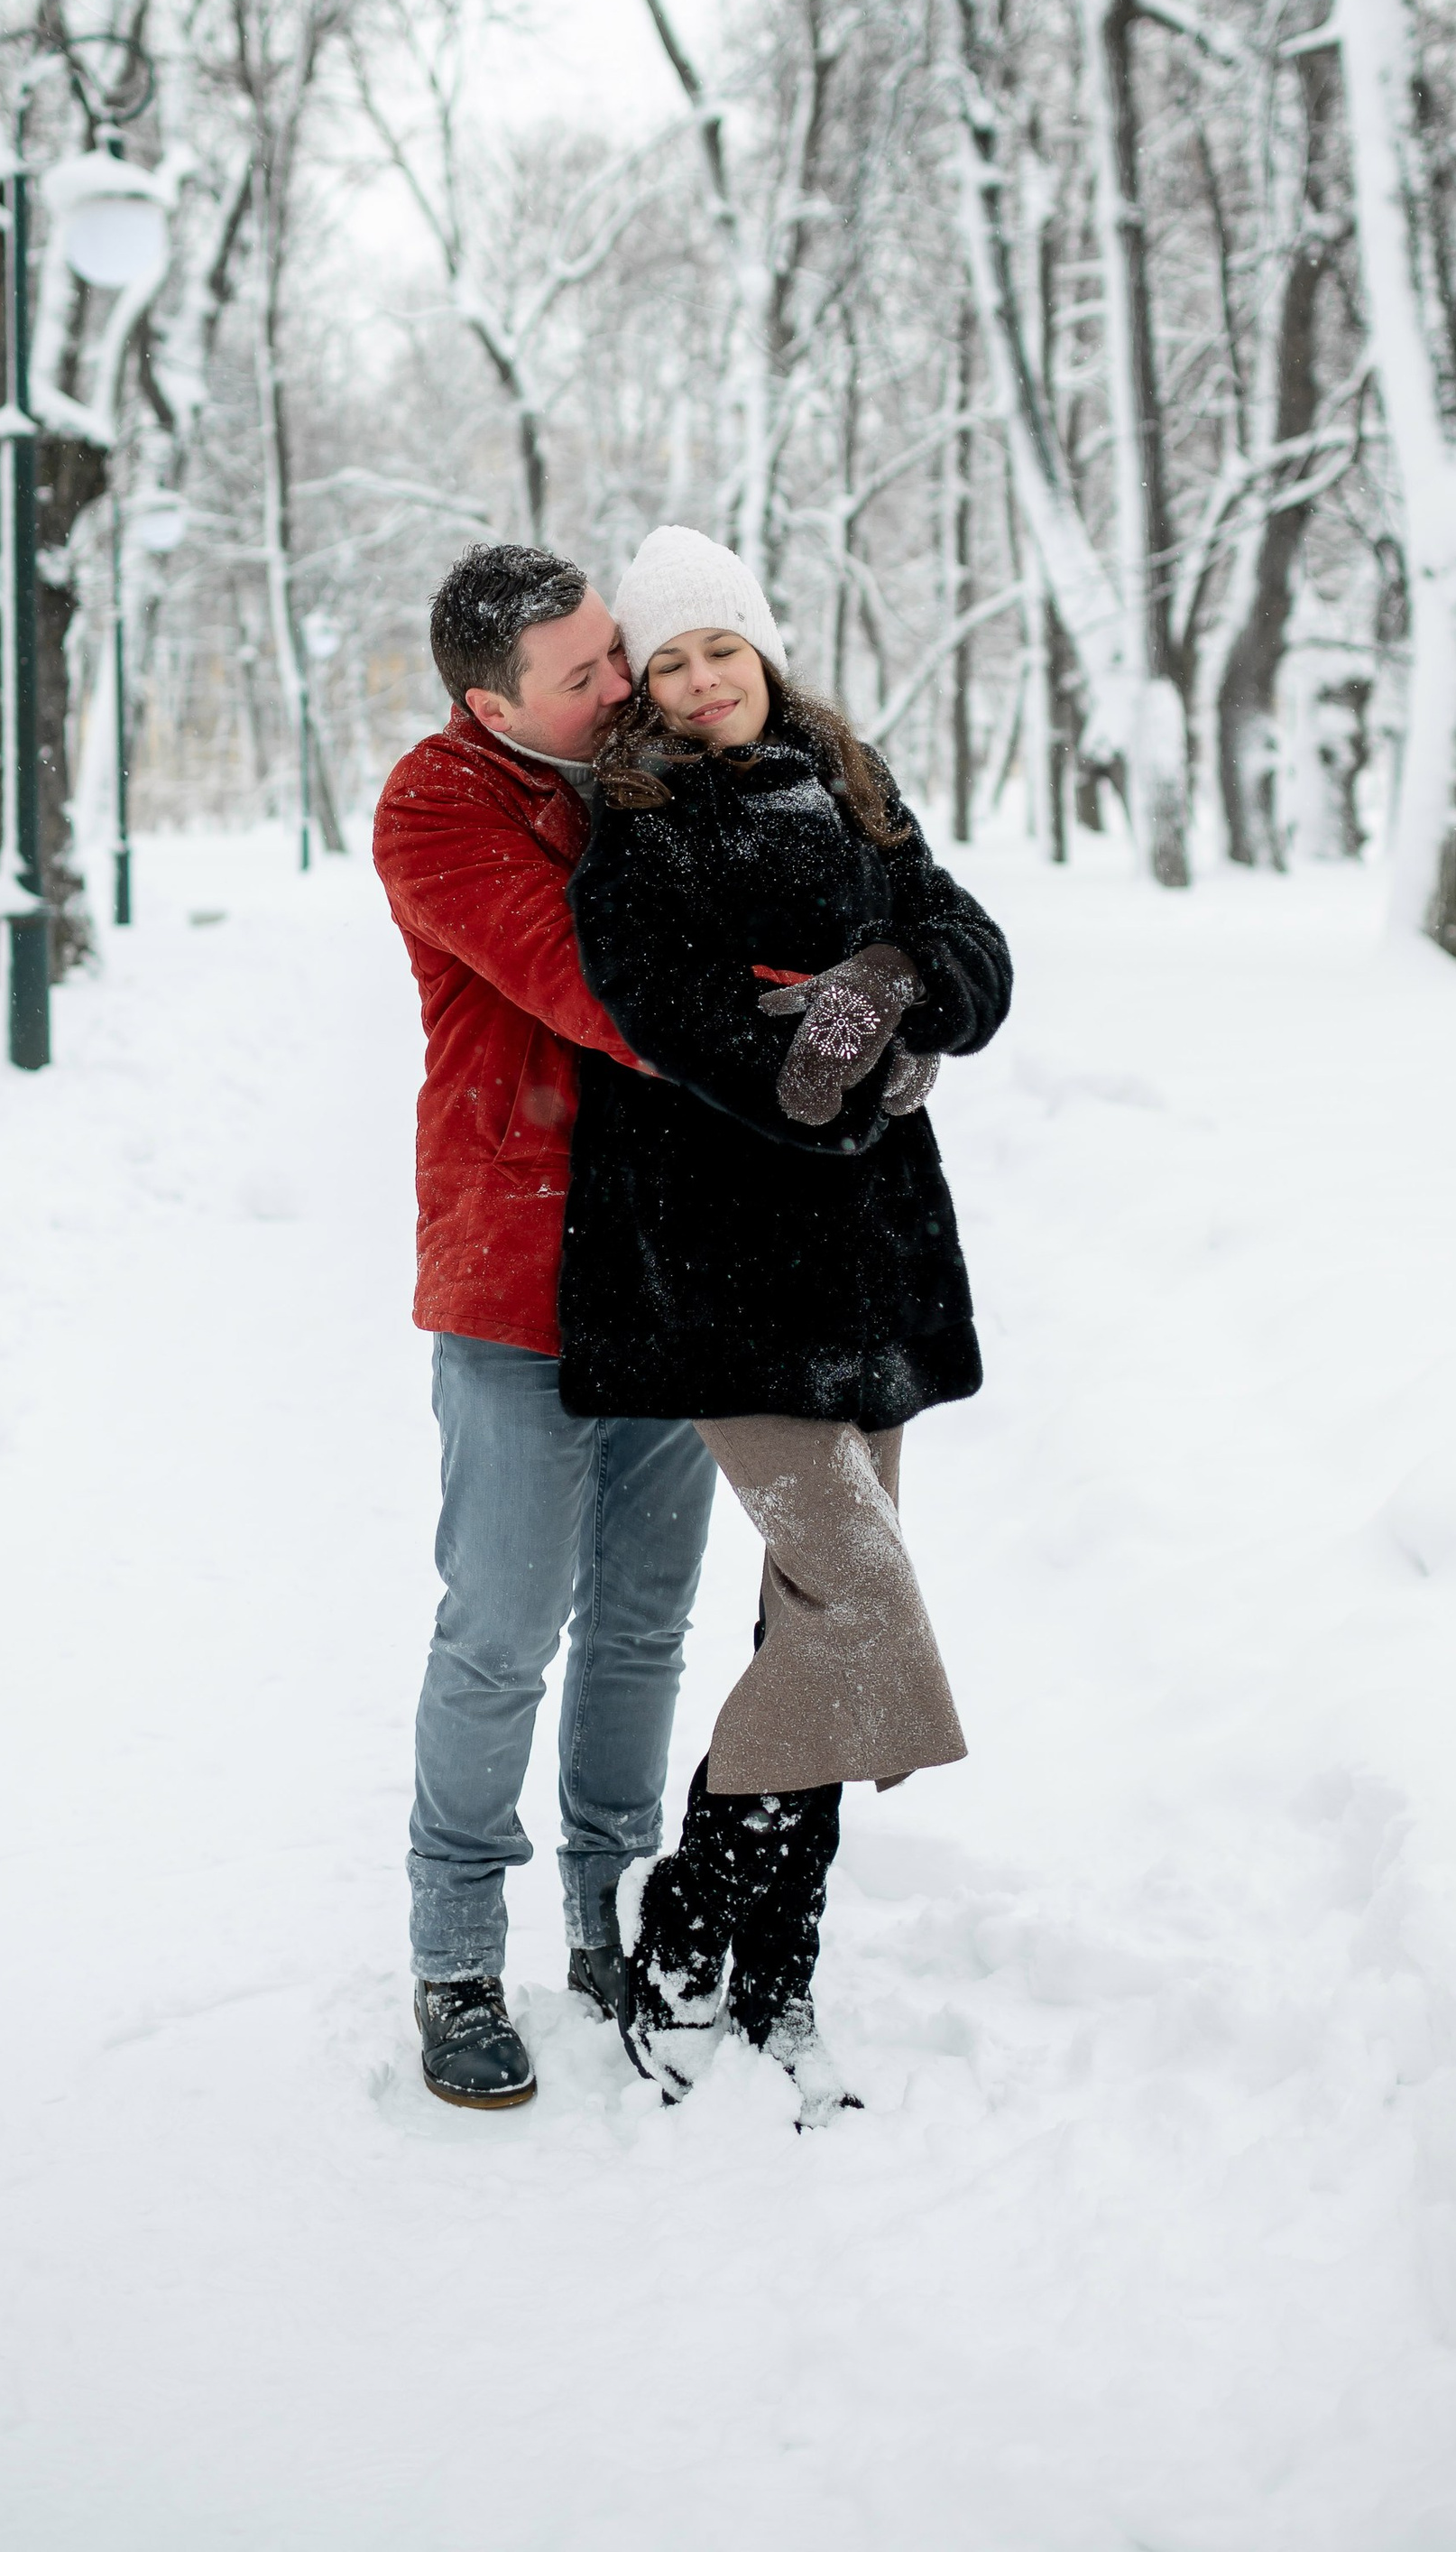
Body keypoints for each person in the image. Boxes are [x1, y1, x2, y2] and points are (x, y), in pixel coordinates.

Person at [559, 525, 1012, 2121]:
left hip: (873, 1275)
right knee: (860, 1605)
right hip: (723, 1278)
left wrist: (894, 979)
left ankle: (773, 1972)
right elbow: (673, 1021)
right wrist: (816, 1060)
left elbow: (971, 946)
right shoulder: (633, 824)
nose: (698, 684)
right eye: (669, 662)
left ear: (762, 646)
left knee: (809, 1629)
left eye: (720, 652)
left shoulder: (851, 775)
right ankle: (687, 1931)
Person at [373, 544, 719, 2112]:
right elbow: (594, 980)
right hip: (518, 1271)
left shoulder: (667, 758)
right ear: (487, 700)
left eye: (615, 653)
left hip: (676, 1263)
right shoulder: (436, 807)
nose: (622, 684)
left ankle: (612, 1909)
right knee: (503, 1631)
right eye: (583, 675)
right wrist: (806, 1015)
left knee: (644, 1622)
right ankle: (455, 1952)